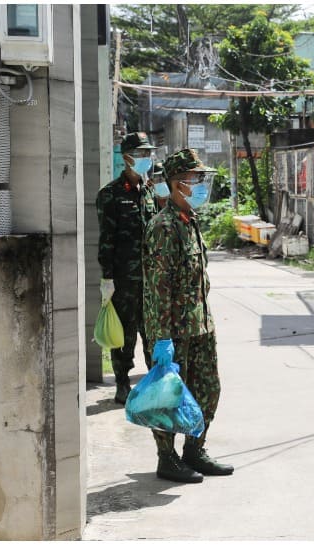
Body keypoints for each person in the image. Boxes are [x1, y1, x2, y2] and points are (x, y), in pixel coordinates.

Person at [142, 148, 234, 483]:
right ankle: (166, 458)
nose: (199, 184)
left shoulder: (189, 221)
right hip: (173, 330)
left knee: (209, 389)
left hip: (199, 325)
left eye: (199, 178)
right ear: (177, 183)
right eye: (194, 179)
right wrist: (162, 337)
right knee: (168, 397)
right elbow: (158, 286)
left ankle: (194, 450)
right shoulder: (163, 227)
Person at [96, 132, 158, 404]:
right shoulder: (110, 194)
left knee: (153, 332)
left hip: (151, 279)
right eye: (141, 154)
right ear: (127, 157)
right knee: (124, 333)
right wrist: (107, 277)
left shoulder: (150, 192)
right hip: (123, 279)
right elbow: (106, 239)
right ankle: (122, 382)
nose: (146, 158)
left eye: (148, 153)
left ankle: (156, 380)